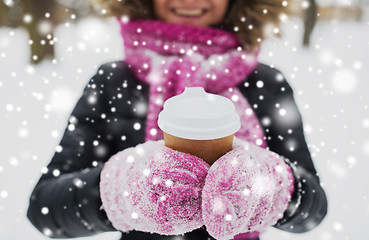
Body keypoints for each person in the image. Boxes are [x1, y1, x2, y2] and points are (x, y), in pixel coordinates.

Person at [27, 0, 328, 239]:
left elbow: (314, 207)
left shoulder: (266, 84)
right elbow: (45, 207)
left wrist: (273, 184)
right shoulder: (113, 82)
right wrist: (121, 191)